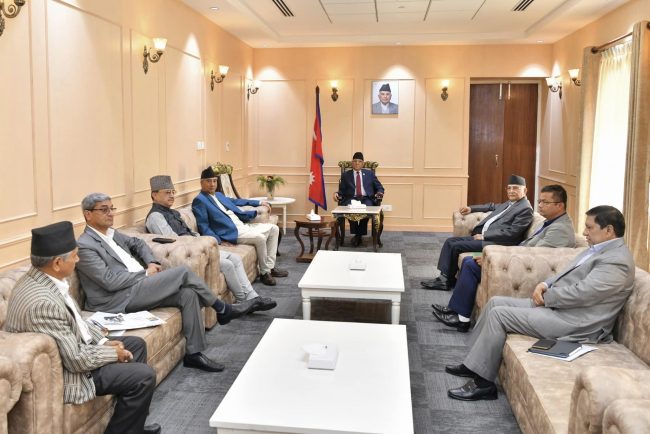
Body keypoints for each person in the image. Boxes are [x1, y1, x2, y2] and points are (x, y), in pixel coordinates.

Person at [445, 206, 634, 401]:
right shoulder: (598, 249)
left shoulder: (617, 262)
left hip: (577, 322)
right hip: (561, 309)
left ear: (609, 230)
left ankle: (483, 384)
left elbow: (584, 294)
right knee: (495, 302)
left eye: (589, 227)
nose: (585, 232)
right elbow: (565, 273)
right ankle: (473, 365)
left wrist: (548, 297)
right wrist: (545, 284)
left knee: (499, 315)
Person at [4, 221, 161, 434]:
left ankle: (133, 425)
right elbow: (75, 359)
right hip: (69, 373)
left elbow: (77, 322)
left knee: (136, 344)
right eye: (75, 256)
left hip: (73, 349)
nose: (78, 260)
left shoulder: (44, 279)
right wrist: (112, 353)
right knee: (143, 376)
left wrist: (104, 342)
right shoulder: (43, 303)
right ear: (57, 263)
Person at [76, 193, 255, 373]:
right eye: (104, 210)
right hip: (117, 298)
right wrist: (145, 273)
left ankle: (194, 354)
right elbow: (109, 281)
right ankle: (222, 309)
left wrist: (151, 262)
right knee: (183, 272)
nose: (110, 213)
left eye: (111, 208)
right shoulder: (85, 245)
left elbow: (138, 243)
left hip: (138, 286)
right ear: (87, 214)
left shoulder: (111, 233)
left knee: (188, 294)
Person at [432, 185, 576, 332]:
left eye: (545, 202)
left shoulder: (560, 229)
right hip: (518, 258)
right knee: (469, 261)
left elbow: (535, 256)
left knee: (470, 264)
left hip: (524, 270)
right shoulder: (551, 221)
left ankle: (462, 319)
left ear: (560, 205)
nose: (539, 205)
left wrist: (496, 260)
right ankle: (456, 311)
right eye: (539, 201)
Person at [145, 175, 276, 311]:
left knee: (235, 258)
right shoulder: (155, 216)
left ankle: (252, 297)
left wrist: (203, 240)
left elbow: (189, 233)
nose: (172, 196)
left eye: (173, 192)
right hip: (188, 256)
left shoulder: (173, 212)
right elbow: (173, 242)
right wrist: (200, 243)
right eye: (167, 192)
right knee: (228, 264)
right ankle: (245, 300)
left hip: (196, 247)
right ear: (154, 195)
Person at [421, 174, 533, 291]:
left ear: (525, 190)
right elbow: (491, 206)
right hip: (485, 237)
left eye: (515, 188)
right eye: (509, 188)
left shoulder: (525, 209)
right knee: (450, 242)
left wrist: (485, 236)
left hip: (497, 242)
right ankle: (446, 278)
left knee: (455, 246)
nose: (511, 191)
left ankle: (444, 281)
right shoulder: (511, 203)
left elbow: (512, 233)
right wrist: (472, 208)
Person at [192, 167, 288, 286]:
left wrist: (258, 202)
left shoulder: (218, 195)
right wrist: (218, 240)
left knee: (274, 229)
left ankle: (270, 267)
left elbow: (236, 201)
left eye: (214, 181)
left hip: (242, 226)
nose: (212, 184)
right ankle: (264, 273)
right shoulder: (200, 200)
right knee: (260, 238)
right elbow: (203, 226)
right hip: (231, 232)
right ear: (201, 183)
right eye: (208, 181)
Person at [333, 152, 385, 247]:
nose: (357, 163)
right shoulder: (346, 175)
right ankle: (358, 235)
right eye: (355, 161)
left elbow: (379, 187)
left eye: (360, 161)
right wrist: (336, 194)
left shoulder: (369, 174)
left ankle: (358, 235)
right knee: (349, 210)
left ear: (363, 163)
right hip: (351, 198)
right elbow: (342, 191)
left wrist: (379, 193)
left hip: (366, 198)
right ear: (352, 163)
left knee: (367, 209)